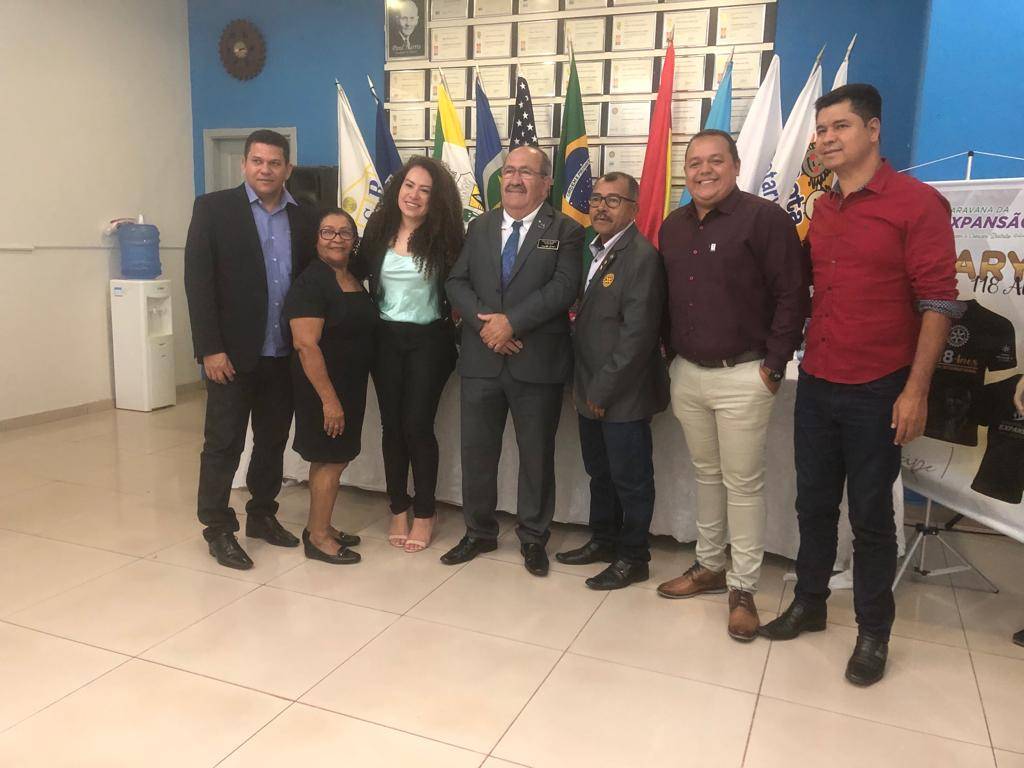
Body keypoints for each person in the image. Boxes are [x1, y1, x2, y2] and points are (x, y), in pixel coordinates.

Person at [760, 84, 960, 687]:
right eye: (821, 130)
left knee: (871, 518)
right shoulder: (823, 208)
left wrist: (916, 391)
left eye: (840, 127)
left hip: (879, 385)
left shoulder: (917, 204)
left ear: (873, 130)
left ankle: (874, 632)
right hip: (819, 378)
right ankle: (810, 603)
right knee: (813, 505)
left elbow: (938, 303)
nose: (826, 139)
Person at [655, 128, 807, 641]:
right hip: (688, 373)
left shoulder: (765, 220)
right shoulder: (673, 227)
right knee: (706, 475)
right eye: (694, 163)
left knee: (742, 484)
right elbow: (667, 298)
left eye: (715, 161)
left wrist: (773, 366)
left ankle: (743, 587)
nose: (704, 171)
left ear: (736, 166)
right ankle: (709, 566)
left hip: (745, 373)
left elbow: (792, 295)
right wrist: (669, 357)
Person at [441, 145, 583, 576]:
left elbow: (564, 288)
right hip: (482, 360)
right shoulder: (480, 226)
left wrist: (512, 324)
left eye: (527, 172)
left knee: (536, 456)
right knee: (477, 452)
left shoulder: (565, 229)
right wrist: (489, 326)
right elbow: (456, 281)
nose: (515, 179)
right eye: (510, 171)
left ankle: (533, 537)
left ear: (546, 183)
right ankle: (478, 531)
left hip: (536, 362)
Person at [185, 129, 318, 570]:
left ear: (288, 169)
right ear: (244, 164)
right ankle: (218, 528)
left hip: (283, 354)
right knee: (223, 443)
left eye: (274, 163)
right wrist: (209, 349)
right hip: (231, 356)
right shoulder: (213, 209)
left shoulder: (305, 216)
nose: (266, 170)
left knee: (272, 441)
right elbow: (198, 283)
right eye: (257, 161)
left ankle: (262, 515)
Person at [555, 172, 670, 590]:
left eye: (613, 200)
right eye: (596, 199)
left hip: (622, 393)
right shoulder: (597, 249)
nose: (601, 207)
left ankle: (634, 557)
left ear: (634, 209)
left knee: (631, 480)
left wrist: (602, 390)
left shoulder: (641, 257)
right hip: (591, 388)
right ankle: (604, 540)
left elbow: (638, 336)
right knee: (600, 473)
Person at [353, 157, 463, 553]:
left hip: (430, 341)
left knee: (417, 425)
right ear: (398, 188)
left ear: (436, 198)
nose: (414, 195)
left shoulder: (446, 237)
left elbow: (463, 286)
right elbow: (353, 272)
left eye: (424, 190)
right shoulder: (378, 229)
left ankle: (425, 512)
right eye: (409, 186)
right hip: (384, 339)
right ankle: (398, 506)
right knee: (392, 427)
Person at [283, 209, 376, 564]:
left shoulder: (350, 276)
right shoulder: (311, 282)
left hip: (348, 384)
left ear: (354, 239)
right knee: (329, 461)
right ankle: (318, 539)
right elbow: (306, 345)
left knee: (334, 458)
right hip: (322, 387)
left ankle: (319, 525)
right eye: (328, 232)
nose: (336, 239)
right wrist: (329, 401)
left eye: (344, 232)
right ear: (316, 238)